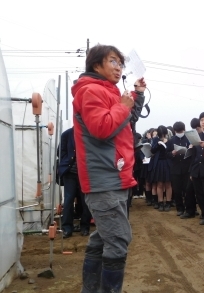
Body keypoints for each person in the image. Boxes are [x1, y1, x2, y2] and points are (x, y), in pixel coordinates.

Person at [72, 44, 146, 293]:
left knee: (104, 237)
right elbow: (102, 128)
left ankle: (91, 289)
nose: (118, 68)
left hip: (115, 176)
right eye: (113, 62)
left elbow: (125, 121)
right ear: (96, 65)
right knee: (117, 241)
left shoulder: (109, 91)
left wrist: (137, 96)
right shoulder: (91, 90)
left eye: (121, 64)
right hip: (105, 178)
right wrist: (123, 105)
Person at [58, 127, 91, 238]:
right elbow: (60, 151)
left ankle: (85, 227)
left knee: (85, 200)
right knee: (68, 200)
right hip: (70, 173)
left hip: (85, 173)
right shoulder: (67, 134)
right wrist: (67, 163)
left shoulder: (89, 133)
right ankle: (67, 228)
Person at [166, 121, 191, 216]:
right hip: (175, 168)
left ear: (184, 130)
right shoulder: (171, 141)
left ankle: (189, 208)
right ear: (174, 131)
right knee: (177, 190)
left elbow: (193, 152)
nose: (179, 132)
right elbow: (166, 154)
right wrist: (172, 153)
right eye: (177, 131)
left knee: (188, 190)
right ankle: (180, 208)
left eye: (181, 131)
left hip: (187, 167)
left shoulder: (189, 139)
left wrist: (189, 150)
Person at [180, 118, 201, 219]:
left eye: (197, 128)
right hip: (193, 166)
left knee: (202, 193)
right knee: (189, 190)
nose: (196, 130)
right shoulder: (193, 138)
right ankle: (190, 211)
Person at [149, 125, 172, 211]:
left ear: (166, 133)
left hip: (167, 163)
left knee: (168, 184)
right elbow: (152, 151)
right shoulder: (155, 139)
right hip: (158, 163)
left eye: (163, 134)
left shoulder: (170, 140)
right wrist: (158, 145)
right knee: (159, 184)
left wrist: (166, 144)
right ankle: (160, 202)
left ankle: (168, 202)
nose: (162, 136)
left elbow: (171, 151)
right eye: (161, 134)